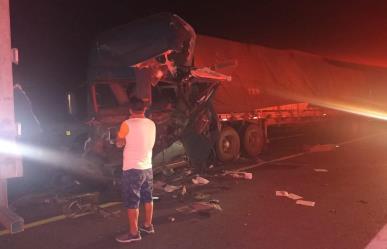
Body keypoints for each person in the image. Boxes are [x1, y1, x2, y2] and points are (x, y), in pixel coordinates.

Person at [115, 97, 156, 243]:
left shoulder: (127, 124)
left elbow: (119, 144)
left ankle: (134, 234)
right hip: (147, 168)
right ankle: (148, 225)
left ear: (130, 110)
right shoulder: (152, 124)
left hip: (133, 168)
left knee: (132, 202)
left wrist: (121, 140)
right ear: (144, 109)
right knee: (148, 197)